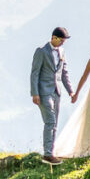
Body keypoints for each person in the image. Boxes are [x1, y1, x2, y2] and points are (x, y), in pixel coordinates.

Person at [30, 26, 75, 165]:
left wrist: (71, 91)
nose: (63, 43)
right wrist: (35, 93)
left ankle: (51, 151)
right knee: (50, 121)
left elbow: (64, 73)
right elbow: (35, 73)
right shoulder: (41, 51)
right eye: (61, 40)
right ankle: (48, 154)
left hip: (57, 92)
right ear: (53, 38)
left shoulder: (62, 51)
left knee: (54, 123)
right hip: (43, 92)